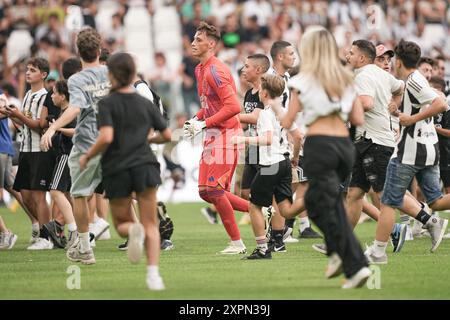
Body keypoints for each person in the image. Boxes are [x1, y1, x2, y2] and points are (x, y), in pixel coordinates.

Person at [281, 27, 371, 289]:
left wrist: (276, 106)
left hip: (320, 146)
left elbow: (288, 121)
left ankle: (354, 262)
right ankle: (339, 255)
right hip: (344, 146)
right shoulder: (345, 78)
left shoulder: (302, 80)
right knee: (325, 203)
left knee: (316, 204)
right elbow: (358, 119)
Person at [79, 52, 171, 290]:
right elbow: (167, 134)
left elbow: (106, 137)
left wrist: (88, 155)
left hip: (117, 167)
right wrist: (147, 141)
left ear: (110, 75)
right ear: (133, 73)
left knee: (121, 225)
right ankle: (154, 276)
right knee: (151, 224)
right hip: (146, 165)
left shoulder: (107, 103)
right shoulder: (144, 101)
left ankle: (133, 230)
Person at [364, 40, 449, 264]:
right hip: (429, 148)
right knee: (437, 202)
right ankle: (432, 223)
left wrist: (410, 118)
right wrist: (399, 111)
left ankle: (378, 252)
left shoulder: (413, 80)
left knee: (389, 202)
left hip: (410, 152)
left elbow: (440, 104)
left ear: (399, 61)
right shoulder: (416, 80)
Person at [40, 28, 111, 264]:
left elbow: (75, 108)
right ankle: (134, 229)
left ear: (78, 51)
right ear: (100, 50)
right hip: (111, 141)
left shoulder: (77, 80)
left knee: (79, 194)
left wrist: (52, 127)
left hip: (85, 144)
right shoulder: (111, 73)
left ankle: (84, 248)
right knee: (114, 193)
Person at [183, 21, 249, 254]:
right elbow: (210, 106)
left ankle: (237, 243)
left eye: (198, 40)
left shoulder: (216, 69)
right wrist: (195, 119)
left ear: (211, 44)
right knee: (205, 191)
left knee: (216, 191)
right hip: (213, 134)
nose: (193, 43)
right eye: (193, 39)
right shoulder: (200, 69)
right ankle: (260, 211)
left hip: (227, 135)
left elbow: (234, 107)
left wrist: (204, 123)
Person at [231, 74, 306, 259]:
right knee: (286, 209)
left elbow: (267, 139)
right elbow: (298, 137)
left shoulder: (265, 113)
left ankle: (263, 249)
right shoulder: (283, 112)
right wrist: (295, 157)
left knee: (254, 206)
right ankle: (314, 200)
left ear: (263, 93)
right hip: (284, 161)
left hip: (270, 164)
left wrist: (243, 139)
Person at [345, 39, 408, 252]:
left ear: (362, 58)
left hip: (374, 142)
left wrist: (341, 106)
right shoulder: (383, 75)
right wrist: (395, 104)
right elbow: (400, 87)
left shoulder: (363, 76)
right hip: (368, 141)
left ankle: (421, 222)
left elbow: (367, 103)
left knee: (383, 195)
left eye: (351, 53)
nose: (348, 56)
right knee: (354, 194)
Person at [6, 57, 54, 250]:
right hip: (25, 149)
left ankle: (47, 237)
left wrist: (18, 115)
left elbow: (40, 127)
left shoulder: (45, 96)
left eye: (32, 70)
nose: (27, 73)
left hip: (39, 151)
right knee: (25, 195)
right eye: (27, 69)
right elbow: (24, 125)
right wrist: (12, 116)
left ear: (43, 75)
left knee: (39, 196)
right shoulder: (27, 95)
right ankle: (41, 228)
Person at [48, 79, 78, 249]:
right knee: (67, 194)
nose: (52, 96)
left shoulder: (69, 112)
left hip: (66, 155)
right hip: (69, 155)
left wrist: (56, 129)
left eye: (54, 92)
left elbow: (75, 131)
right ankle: (81, 231)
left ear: (63, 96)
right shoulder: (65, 111)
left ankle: (73, 230)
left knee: (55, 191)